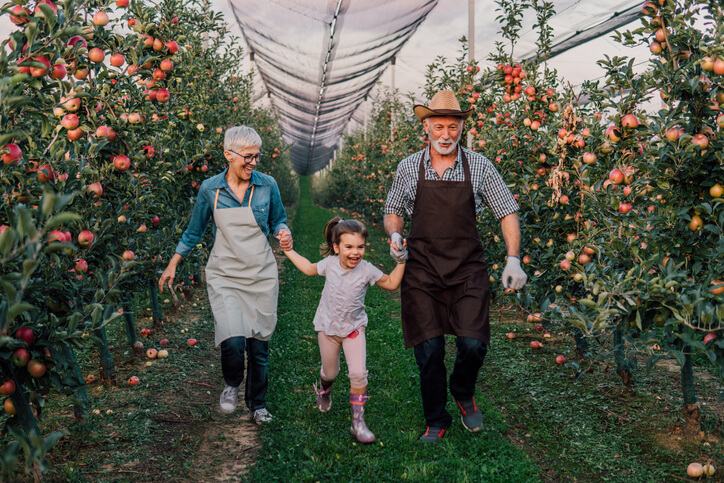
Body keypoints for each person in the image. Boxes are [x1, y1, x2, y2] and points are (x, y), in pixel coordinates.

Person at [383, 90, 527, 443]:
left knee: (473, 344)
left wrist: (513, 256)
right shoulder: (408, 167)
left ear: (462, 127)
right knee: (429, 351)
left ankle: (463, 390)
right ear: (426, 128)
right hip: (422, 269)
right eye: (439, 127)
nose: (446, 134)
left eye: (453, 126)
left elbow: (506, 210)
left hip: (466, 269)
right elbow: (393, 210)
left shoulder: (479, 166)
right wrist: (396, 234)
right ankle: (436, 418)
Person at [158, 125, 292, 424]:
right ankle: (232, 383)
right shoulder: (210, 189)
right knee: (233, 339)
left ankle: (257, 405)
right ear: (228, 155)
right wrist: (173, 263)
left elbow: (278, 220)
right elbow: (194, 231)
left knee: (259, 346)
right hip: (226, 273)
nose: (253, 163)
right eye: (248, 157)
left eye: (257, 157)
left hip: (259, 272)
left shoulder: (267, 185)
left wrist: (283, 232)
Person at [282, 217, 406, 443]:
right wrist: (289, 251)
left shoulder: (366, 269)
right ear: (337, 247)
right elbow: (309, 269)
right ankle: (324, 389)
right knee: (330, 373)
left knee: (358, 374)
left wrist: (402, 261)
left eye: (360, 247)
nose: (355, 253)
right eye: (348, 247)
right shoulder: (329, 264)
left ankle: (358, 423)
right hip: (328, 330)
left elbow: (391, 284)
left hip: (354, 330)